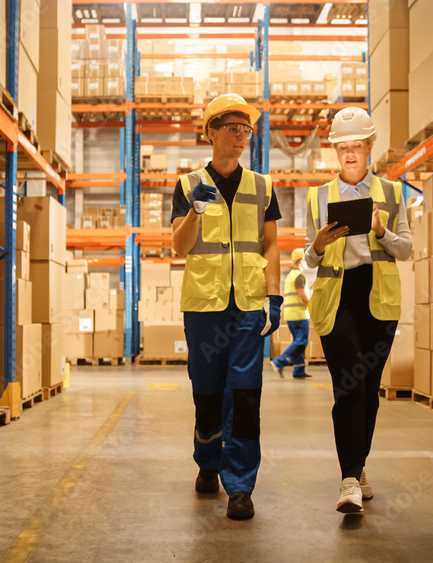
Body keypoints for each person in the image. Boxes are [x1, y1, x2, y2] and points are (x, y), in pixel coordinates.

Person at [171, 93, 283, 521]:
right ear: (211, 132)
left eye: (247, 129)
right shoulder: (186, 185)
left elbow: (271, 244)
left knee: (246, 394)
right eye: (233, 128)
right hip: (204, 306)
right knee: (207, 391)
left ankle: (239, 485)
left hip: (249, 306)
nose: (241, 136)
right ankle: (207, 462)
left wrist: (274, 296)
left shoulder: (262, 186)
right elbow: (180, 247)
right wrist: (195, 212)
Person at [304, 107, 412, 514]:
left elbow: (407, 249)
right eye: (342, 148)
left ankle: (359, 465)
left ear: (370, 147)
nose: (349, 155)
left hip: (378, 297)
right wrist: (316, 245)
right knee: (348, 386)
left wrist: (382, 232)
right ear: (335, 150)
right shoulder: (318, 196)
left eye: (356, 147)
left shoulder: (393, 193)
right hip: (338, 297)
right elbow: (309, 259)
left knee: (368, 392)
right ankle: (349, 478)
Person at [271, 248, 311, 379]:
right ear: (300, 260)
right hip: (299, 315)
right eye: (305, 259)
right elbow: (303, 297)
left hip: (291, 315)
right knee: (301, 341)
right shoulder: (299, 277)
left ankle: (299, 371)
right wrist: (314, 308)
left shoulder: (290, 276)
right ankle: (279, 362)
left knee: (297, 342)